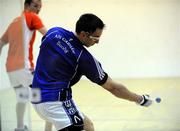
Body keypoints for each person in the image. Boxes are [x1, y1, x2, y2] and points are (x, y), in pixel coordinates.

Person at [30, 13, 152, 131]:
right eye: (96, 38)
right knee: (84, 126)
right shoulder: (84, 58)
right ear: (83, 34)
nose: (97, 42)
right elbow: (113, 88)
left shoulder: (53, 32)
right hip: (56, 103)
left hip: (35, 98)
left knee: (88, 125)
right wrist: (139, 99)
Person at [0, 0, 48, 131]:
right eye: (35, 6)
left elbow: (1, 42)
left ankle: (20, 127)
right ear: (26, 6)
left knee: (22, 98)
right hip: (24, 69)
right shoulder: (31, 17)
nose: (38, 10)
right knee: (46, 97)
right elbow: (48, 35)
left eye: (40, 7)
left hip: (11, 71)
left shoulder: (14, 22)